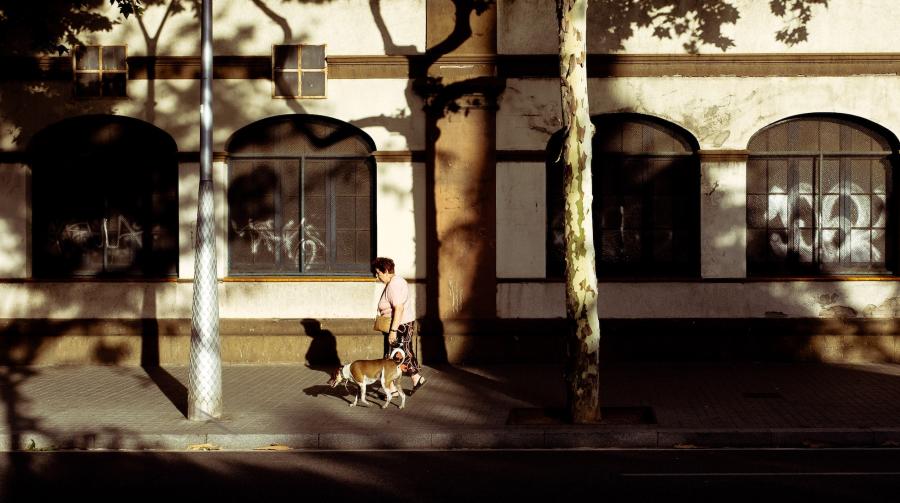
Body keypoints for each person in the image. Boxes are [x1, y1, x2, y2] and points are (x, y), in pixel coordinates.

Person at [372, 257, 426, 392]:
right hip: (402, 323)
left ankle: (392, 389)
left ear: (385, 271)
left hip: (398, 325)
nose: (377, 276)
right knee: (401, 353)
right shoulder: (397, 281)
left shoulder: (393, 285)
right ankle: (415, 379)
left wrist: (393, 330)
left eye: (378, 273)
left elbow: (399, 308)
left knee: (393, 357)